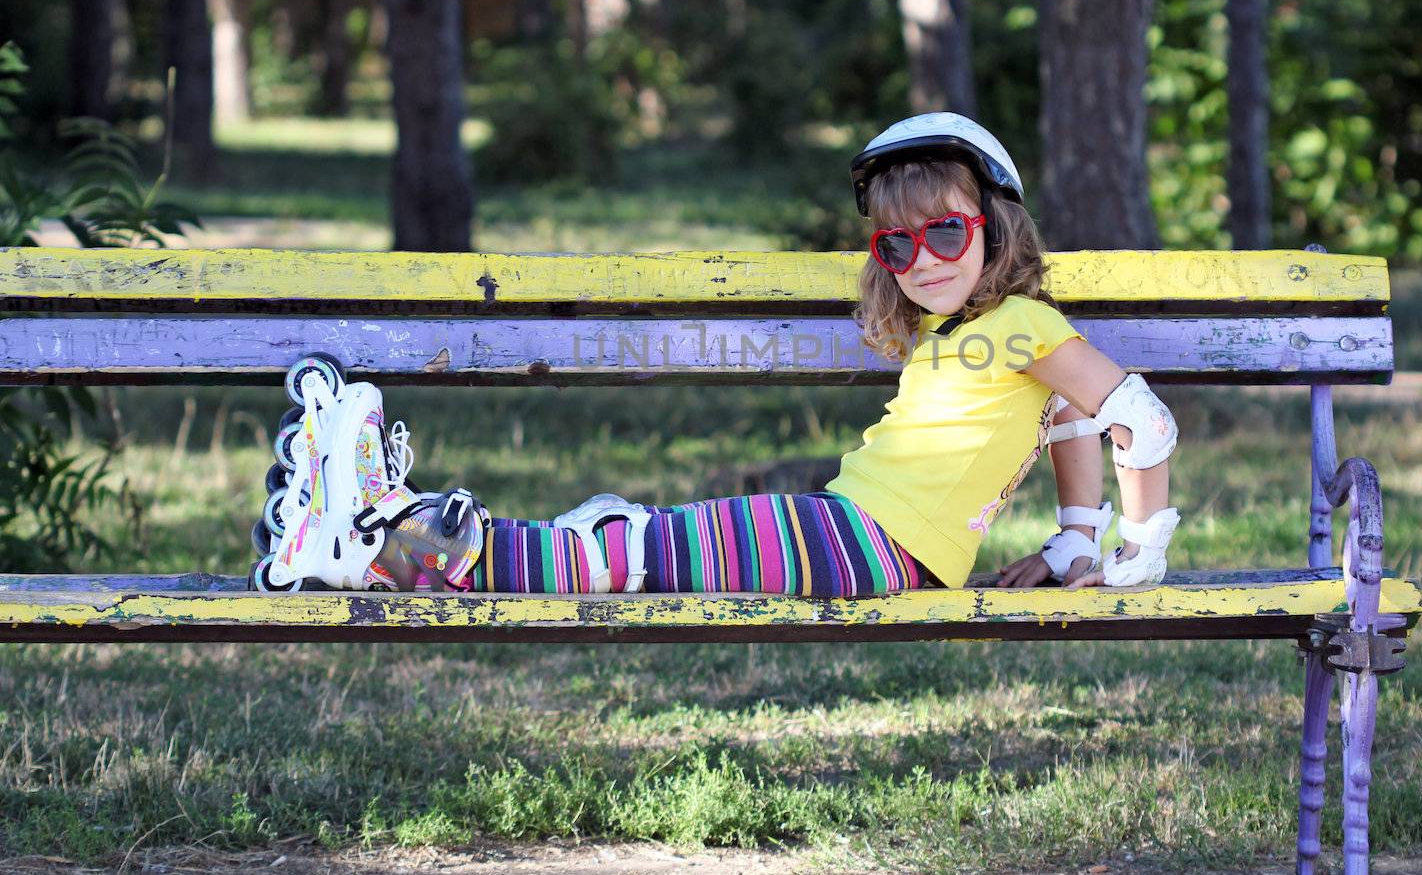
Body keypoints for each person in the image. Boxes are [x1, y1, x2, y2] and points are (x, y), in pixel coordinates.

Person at [251, 112, 1180, 596]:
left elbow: (1134, 416)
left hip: (868, 546)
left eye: (945, 233)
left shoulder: (1022, 323)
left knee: (628, 555)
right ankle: (385, 542)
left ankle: (389, 535)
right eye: (895, 246)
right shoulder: (975, 334)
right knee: (630, 547)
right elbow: (1068, 417)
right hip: (856, 535)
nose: (921, 262)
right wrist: (1069, 542)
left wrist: (1135, 554)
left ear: (995, 225)